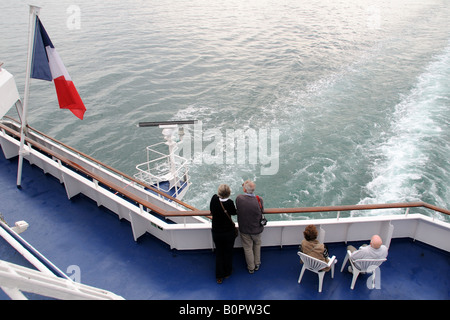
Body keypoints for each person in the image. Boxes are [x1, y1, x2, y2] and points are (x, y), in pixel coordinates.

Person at [210, 184, 237, 284]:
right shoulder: (230, 203)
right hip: (228, 232)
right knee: (228, 252)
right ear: (229, 193)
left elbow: (212, 209)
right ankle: (227, 272)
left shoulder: (214, 199)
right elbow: (234, 212)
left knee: (219, 253)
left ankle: (219, 276)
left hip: (217, 231)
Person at [236, 180, 264, 274]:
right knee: (257, 245)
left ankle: (251, 268)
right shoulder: (259, 199)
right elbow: (262, 211)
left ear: (244, 189)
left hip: (245, 229)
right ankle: (257, 264)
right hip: (257, 229)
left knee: (248, 248)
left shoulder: (239, 198)